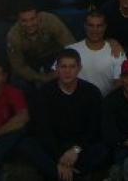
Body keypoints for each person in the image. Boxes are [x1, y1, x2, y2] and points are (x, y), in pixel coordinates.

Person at [21, 49, 108, 181]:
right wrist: (60, 158)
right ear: (57, 69)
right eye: (63, 66)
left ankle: (57, 174)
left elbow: (93, 128)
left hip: (80, 146)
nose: (67, 71)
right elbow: (43, 129)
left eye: (72, 67)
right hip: (53, 145)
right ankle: (72, 174)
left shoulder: (92, 92)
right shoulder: (44, 92)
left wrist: (75, 150)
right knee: (27, 145)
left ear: (79, 68)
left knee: (104, 148)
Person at [7, 6, 75, 89]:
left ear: (39, 17)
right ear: (18, 21)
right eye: (24, 21)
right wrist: (41, 78)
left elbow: (71, 46)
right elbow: (18, 66)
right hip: (29, 61)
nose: (29, 24)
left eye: (32, 19)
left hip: (54, 57)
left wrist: (61, 68)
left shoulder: (50, 21)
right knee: (17, 81)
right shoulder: (13, 36)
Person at [66, 11, 126, 96]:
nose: (95, 30)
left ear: (105, 27)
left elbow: (120, 82)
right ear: (85, 26)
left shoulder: (117, 51)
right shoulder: (71, 49)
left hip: (106, 101)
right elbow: (57, 75)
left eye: (99, 26)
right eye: (91, 25)